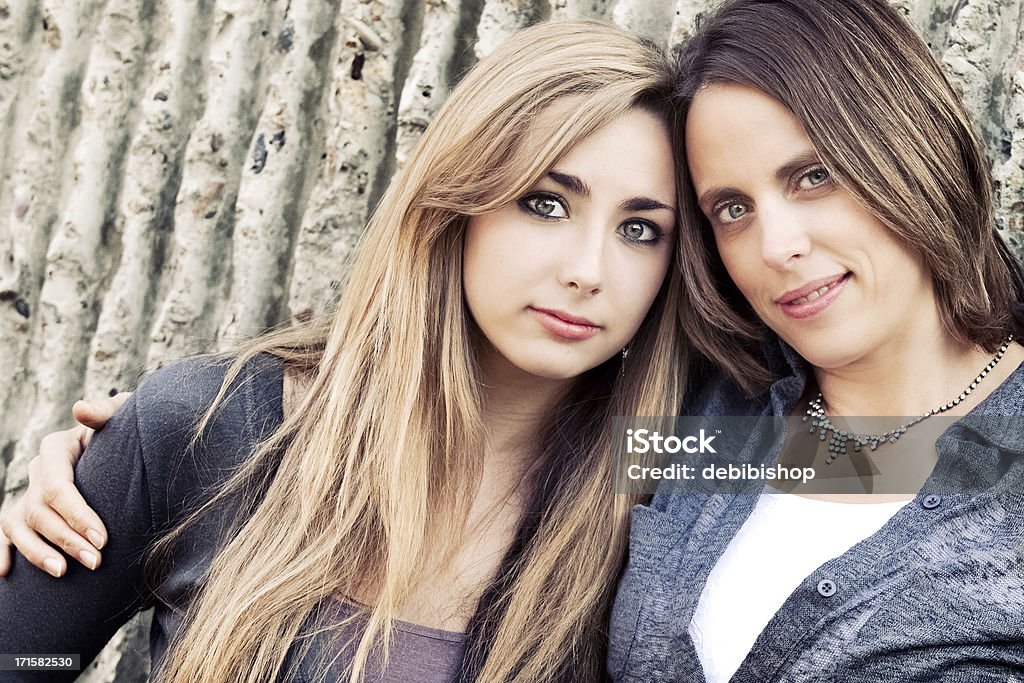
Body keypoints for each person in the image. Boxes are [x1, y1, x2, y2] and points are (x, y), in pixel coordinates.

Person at [0, 20, 690, 682]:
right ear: (455, 205)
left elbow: (803, 457)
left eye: (639, 228)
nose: (589, 270)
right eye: (545, 203)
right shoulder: (209, 424)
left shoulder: (664, 469)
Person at [608, 0, 1024, 681]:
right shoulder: (708, 409)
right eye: (733, 209)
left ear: (910, 152)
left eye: (813, 175)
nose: (776, 247)